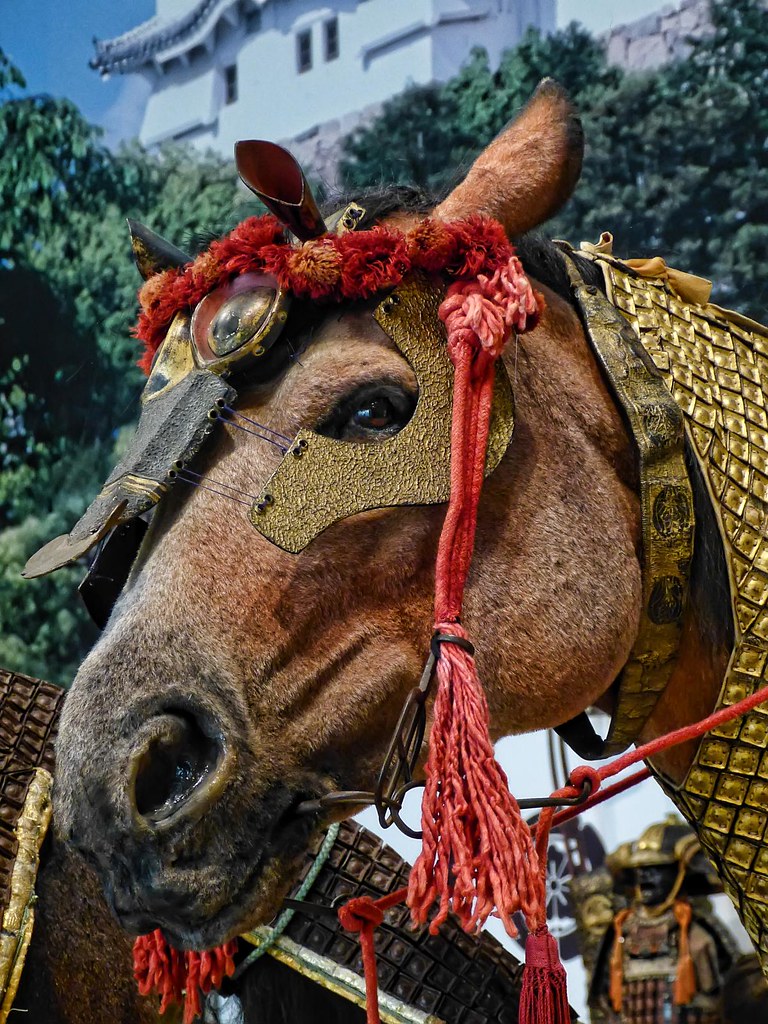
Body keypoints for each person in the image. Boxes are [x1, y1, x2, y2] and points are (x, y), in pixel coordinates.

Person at [586, 816, 736, 1024]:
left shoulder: (699, 931)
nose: (646, 877)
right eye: (641, 869)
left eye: (656, 868)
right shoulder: (620, 930)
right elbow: (602, 999)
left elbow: (735, 996)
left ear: (679, 873)